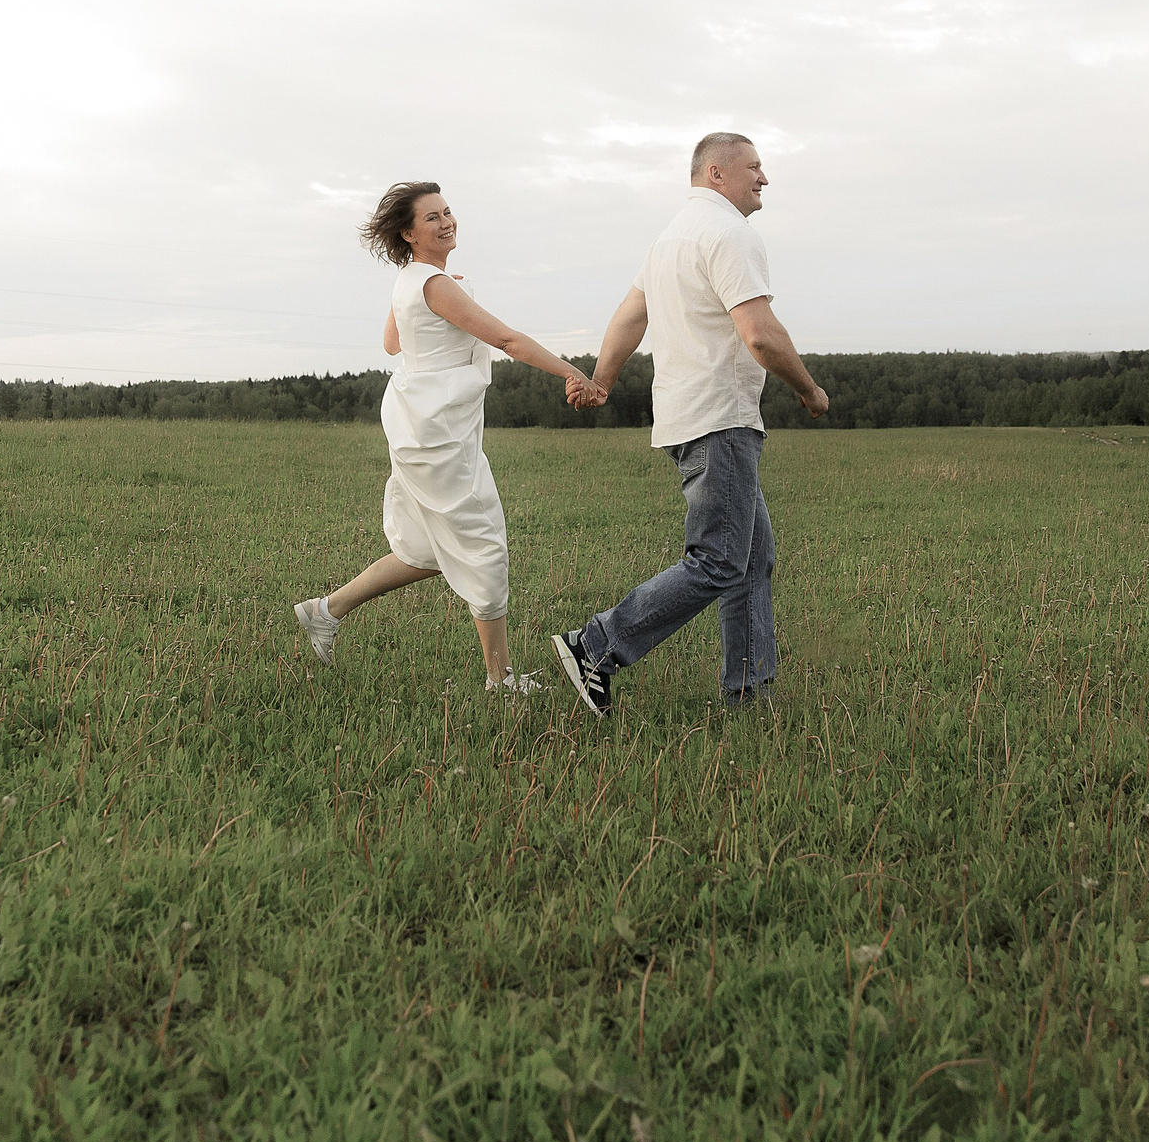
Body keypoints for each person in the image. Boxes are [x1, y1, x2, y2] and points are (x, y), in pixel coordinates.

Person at [551, 132, 828, 716]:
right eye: (754, 166)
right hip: (720, 417)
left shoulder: (670, 238)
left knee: (751, 557)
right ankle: (597, 645)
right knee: (720, 558)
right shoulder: (730, 233)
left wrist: (602, 380)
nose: (764, 178)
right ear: (716, 173)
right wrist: (809, 389)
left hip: (687, 417)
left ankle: (749, 692)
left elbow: (630, 316)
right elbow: (759, 333)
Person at [294, 182, 609, 691]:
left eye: (447, 212)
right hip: (437, 434)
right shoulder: (434, 285)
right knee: (483, 546)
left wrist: (435, 296)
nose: (446, 222)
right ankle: (500, 680)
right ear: (408, 234)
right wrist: (574, 373)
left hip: (424, 425)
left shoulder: (413, 280)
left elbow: (393, 343)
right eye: (432, 218)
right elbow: (506, 339)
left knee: (424, 550)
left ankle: (325, 611)